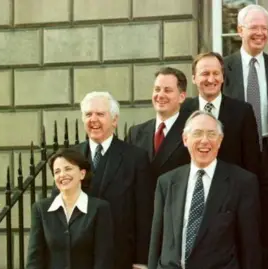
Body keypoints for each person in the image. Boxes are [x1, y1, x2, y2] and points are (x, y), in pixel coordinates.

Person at [222, 5, 268, 268]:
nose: (260, 33)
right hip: (234, 156)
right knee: (233, 223)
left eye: (265, 28)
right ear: (240, 30)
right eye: (254, 27)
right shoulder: (223, 68)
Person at [148, 110, 261, 269]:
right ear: (185, 139)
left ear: (220, 140)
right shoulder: (166, 182)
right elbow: (156, 241)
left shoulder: (242, 183)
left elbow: (250, 247)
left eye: (211, 134)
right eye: (198, 133)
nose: (204, 141)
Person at [76, 91, 151, 269]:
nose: (93, 119)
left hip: (120, 258)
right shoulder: (71, 157)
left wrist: (141, 261)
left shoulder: (135, 158)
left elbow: (144, 214)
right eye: (88, 114)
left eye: (100, 114)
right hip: (80, 259)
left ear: (115, 120)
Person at [27, 148, 113, 269]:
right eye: (57, 171)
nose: (62, 175)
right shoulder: (41, 209)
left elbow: (103, 259)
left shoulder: (99, 208)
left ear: (82, 174)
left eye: (68, 169)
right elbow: (34, 258)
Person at [181, 52, 261, 176]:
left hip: (232, 188)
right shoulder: (182, 110)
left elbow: (252, 160)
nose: (211, 79)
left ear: (223, 77)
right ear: (194, 78)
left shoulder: (243, 111)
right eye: (205, 73)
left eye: (216, 73)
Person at [127, 67, 191, 179]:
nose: (160, 95)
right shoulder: (136, 133)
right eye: (157, 89)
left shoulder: (191, 132)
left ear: (182, 97)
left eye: (167, 90)